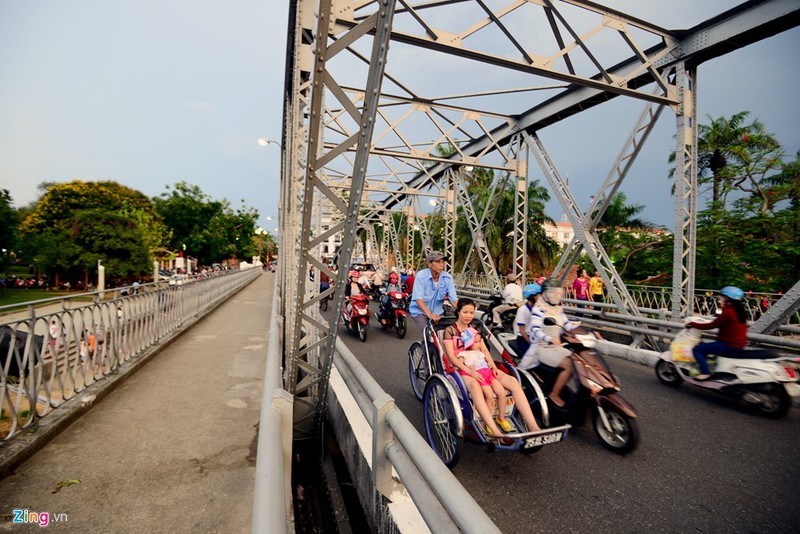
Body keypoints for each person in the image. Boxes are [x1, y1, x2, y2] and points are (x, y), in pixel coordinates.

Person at [443, 299, 542, 436]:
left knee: (513, 382)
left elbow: (484, 350)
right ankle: (494, 429)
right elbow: (452, 356)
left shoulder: (475, 329)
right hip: (462, 368)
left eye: (471, 312)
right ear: (458, 312)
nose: (468, 315)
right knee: (475, 387)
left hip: (481, 365)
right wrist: (469, 370)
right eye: (465, 312)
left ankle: (533, 426)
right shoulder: (450, 330)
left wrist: (493, 366)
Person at [518, 279, 580, 408]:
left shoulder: (558, 308)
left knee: (579, 361)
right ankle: (554, 394)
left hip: (557, 346)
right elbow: (535, 329)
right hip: (542, 348)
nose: (556, 296)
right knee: (569, 365)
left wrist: (585, 333)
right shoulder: (538, 309)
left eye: (558, 293)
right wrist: (549, 338)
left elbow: (567, 325)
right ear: (546, 294)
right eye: (553, 293)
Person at [687, 286, 748, 381]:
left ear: (727, 298)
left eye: (722, 297)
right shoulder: (739, 311)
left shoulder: (728, 311)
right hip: (739, 344)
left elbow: (712, 325)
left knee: (697, 350)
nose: (720, 300)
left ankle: (705, 372)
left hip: (728, 345)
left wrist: (693, 324)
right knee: (710, 348)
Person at [409, 252, 458, 335]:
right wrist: (430, 315)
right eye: (438, 262)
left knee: (445, 336)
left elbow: (453, 300)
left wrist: (464, 312)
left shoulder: (447, 278)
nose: (441, 264)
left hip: (438, 313)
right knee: (427, 334)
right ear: (429, 264)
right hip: (420, 312)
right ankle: (425, 345)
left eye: (442, 262)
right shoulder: (421, 276)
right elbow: (418, 299)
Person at [513, 283, 541, 357]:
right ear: (532, 296)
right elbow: (522, 330)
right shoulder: (523, 310)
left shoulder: (536, 309)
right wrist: (530, 342)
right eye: (539, 295)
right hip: (524, 339)